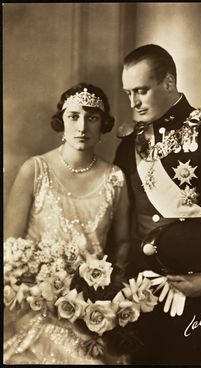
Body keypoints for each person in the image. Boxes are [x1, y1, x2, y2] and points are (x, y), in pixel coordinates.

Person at [114, 44, 201, 364]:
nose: (133, 103)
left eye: (141, 91)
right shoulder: (129, 147)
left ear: (168, 83)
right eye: (128, 93)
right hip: (144, 293)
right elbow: (123, 224)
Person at [4, 82, 131, 364]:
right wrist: (37, 290)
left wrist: (107, 295)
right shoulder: (34, 170)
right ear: (61, 121)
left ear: (103, 125)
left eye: (92, 117)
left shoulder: (115, 178)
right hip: (36, 306)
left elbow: (122, 244)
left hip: (91, 310)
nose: (82, 126)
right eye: (73, 116)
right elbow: (9, 249)